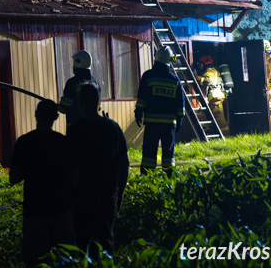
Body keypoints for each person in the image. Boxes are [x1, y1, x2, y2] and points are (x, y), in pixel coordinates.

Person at [10, 99, 77, 266]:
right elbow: (74, 177)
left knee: (35, 260)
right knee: (65, 260)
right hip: (61, 210)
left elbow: (14, 178)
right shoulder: (63, 143)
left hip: (34, 210)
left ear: (35, 115)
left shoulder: (24, 142)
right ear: (55, 118)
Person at [67, 84, 129, 257]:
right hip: (107, 198)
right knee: (105, 246)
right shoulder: (113, 128)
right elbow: (124, 163)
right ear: (98, 102)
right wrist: (120, 192)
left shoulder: (74, 132)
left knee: (80, 247)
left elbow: (70, 169)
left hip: (82, 200)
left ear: (80, 104)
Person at [134, 45, 185, 175]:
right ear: (169, 60)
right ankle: (169, 177)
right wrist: (179, 120)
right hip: (169, 124)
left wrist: (138, 113)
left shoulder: (148, 76)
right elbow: (180, 103)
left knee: (149, 152)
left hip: (152, 123)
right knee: (168, 152)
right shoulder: (175, 79)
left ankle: (147, 177)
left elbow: (142, 98)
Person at [58, 50, 101, 129]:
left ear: (77, 63)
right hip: (94, 129)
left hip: (76, 130)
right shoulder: (96, 84)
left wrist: (56, 106)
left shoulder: (72, 83)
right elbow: (99, 107)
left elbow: (63, 108)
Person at [193, 55, 229, 134]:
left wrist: (196, 77)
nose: (199, 66)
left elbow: (207, 81)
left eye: (200, 64)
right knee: (217, 119)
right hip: (217, 96)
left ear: (205, 63)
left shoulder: (210, 70)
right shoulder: (212, 69)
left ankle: (226, 138)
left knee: (220, 121)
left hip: (216, 97)